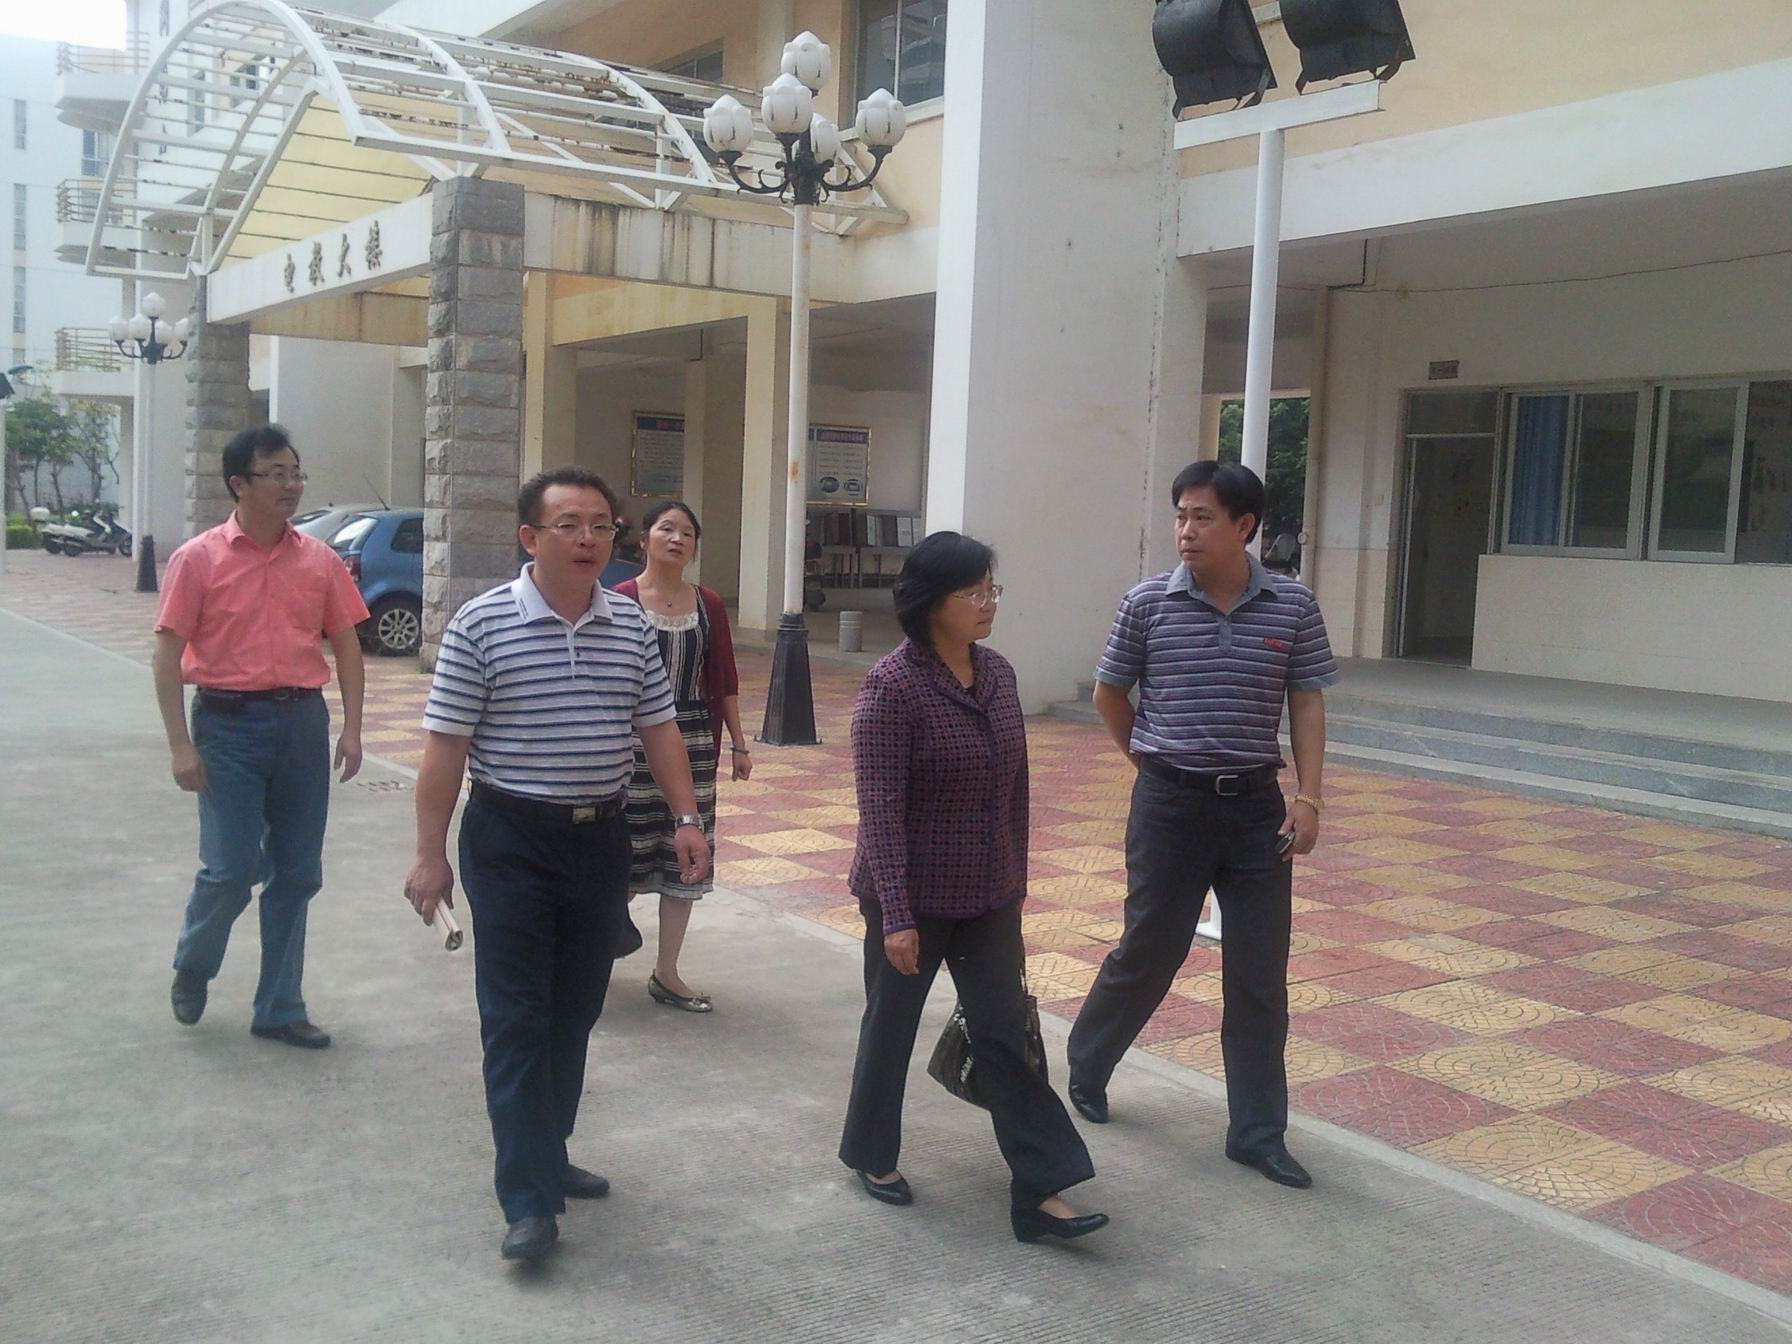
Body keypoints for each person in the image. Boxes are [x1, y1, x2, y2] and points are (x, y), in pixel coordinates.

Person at [403, 466, 710, 1263]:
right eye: (568, 524)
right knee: (516, 1017)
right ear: (529, 537)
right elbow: (445, 749)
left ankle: (548, 1147)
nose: (587, 539)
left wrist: (686, 819)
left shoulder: (631, 624)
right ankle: (529, 1199)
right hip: (510, 838)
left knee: (575, 1010)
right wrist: (429, 855)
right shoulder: (481, 624)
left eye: (601, 525)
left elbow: (659, 728)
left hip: (599, 840)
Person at [1067, 461, 1336, 1189]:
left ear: (1244, 526)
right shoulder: (1148, 603)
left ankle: (1257, 1133)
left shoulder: (1292, 605)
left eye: (1203, 517)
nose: (1186, 531)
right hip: (1170, 807)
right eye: (1181, 515)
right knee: (1150, 951)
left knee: (1259, 976)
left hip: (1255, 813)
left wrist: (1309, 798)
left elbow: (1306, 700)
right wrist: (1150, 762)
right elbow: (1109, 694)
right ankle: (1088, 1062)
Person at [840, 531, 1108, 1245]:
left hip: (988, 895)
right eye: (974, 592)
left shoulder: (997, 674)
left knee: (1004, 1034)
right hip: (910, 898)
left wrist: (1014, 881)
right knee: (889, 1028)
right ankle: (870, 1152)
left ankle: (1041, 1188)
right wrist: (897, 915)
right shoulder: (892, 687)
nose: (989, 603)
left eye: (993, 589)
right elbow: (880, 810)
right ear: (932, 603)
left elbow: (1015, 787)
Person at [152, 424, 368, 1049]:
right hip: (227, 727)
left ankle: (279, 1006)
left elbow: (347, 646)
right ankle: (195, 962)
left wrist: (353, 729)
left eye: (296, 473)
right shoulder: (198, 559)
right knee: (232, 868)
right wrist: (180, 745)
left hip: (301, 723)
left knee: (297, 872)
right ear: (238, 484)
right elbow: (166, 654)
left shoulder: (320, 560)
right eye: (276, 473)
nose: (291, 485)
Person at [611, 500, 749, 1012]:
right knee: (621, 855)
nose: (676, 539)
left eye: (686, 532)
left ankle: (667, 972)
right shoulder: (619, 600)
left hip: (693, 742)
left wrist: (738, 743)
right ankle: (589, 963)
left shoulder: (708, 604)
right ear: (644, 539)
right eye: (666, 529)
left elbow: (724, 677)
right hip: (629, 745)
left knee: (683, 856)